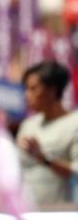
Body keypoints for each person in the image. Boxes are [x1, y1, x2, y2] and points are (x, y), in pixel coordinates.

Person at [16, 61, 78, 205]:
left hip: (58, 215)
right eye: (26, 89)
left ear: (52, 90)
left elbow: (76, 172)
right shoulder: (28, 125)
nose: (27, 95)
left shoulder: (74, 123)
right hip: (24, 213)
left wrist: (44, 159)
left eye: (33, 89)